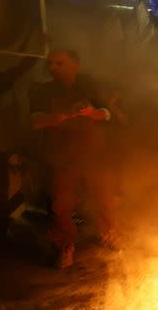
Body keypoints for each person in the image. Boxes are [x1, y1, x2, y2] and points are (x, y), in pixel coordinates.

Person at [29, 49, 116, 269]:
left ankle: (109, 234)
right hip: (61, 157)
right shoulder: (41, 90)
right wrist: (57, 117)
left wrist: (89, 113)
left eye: (59, 63)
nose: (53, 68)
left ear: (75, 65)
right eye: (50, 64)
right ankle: (66, 246)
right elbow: (35, 121)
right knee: (62, 205)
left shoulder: (90, 85)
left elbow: (106, 114)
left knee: (104, 198)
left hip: (94, 154)